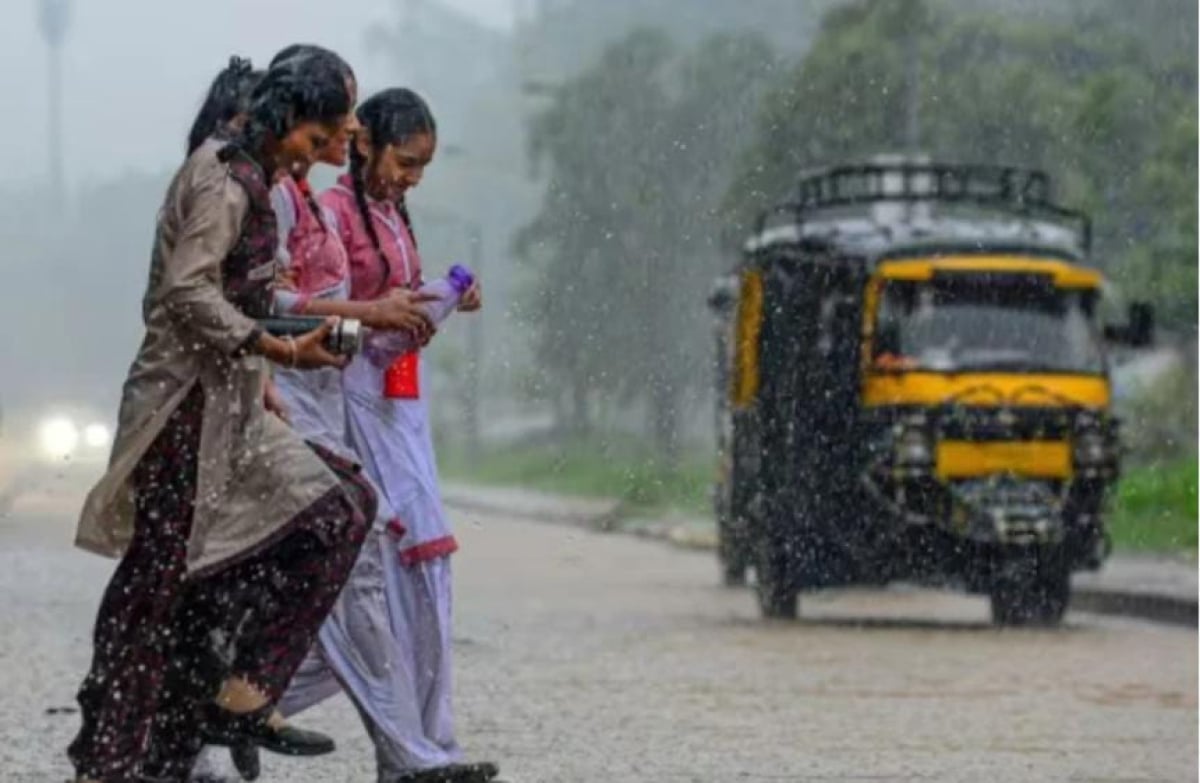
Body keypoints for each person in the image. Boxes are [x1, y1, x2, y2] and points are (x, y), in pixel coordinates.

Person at [68, 50, 376, 783]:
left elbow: (231, 295)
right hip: (181, 409)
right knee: (159, 584)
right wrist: (268, 342)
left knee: (337, 509)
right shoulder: (224, 176)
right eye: (318, 137)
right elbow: (185, 292)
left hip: (234, 402)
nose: (319, 157)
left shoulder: (256, 178)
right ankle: (118, 758)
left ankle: (237, 698)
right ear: (283, 117)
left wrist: (276, 353)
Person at [280, 87, 494, 783]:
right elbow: (314, 318)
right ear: (363, 140)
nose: (412, 178)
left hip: (400, 404)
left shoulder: (390, 211)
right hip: (347, 406)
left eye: (423, 168)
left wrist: (440, 295)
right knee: (375, 588)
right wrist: (380, 317)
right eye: (406, 162)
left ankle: (429, 746)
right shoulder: (328, 213)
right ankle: (217, 709)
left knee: (419, 579)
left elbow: (384, 307)